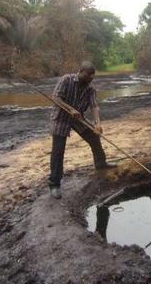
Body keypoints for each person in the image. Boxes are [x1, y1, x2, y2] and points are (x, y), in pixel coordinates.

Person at [49, 61, 117, 199]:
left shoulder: (90, 89)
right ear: (80, 71)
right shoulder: (66, 79)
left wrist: (97, 123)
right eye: (88, 75)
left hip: (78, 118)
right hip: (61, 118)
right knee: (58, 150)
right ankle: (54, 184)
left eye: (92, 76)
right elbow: (56, 98)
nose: (90, 78)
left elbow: (94, 106)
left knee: (94, 136)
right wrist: (70, 109)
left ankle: (101, 163)